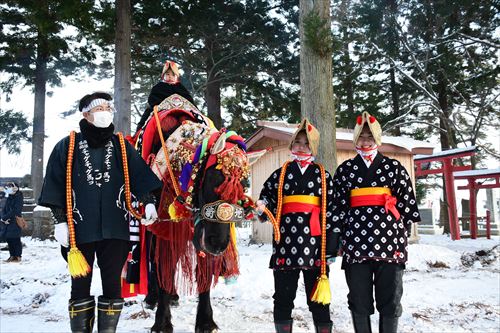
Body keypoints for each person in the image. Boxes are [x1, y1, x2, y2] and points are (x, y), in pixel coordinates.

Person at [38, 92, 163, 333]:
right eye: (100, 108)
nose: (106, 111)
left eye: (108, 107)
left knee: (112, 285)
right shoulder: (67, 145)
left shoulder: (121, 145)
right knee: (80, 285)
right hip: (79, 229)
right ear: (86, 114)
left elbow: (139, 176)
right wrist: (60, 221)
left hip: (115, 228)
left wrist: (148, 202)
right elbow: (54, 183)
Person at [331, 112, 421, 333]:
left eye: (370, 136)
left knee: (390, 298)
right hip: (355, 242)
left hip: (389, 242)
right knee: (359, 298)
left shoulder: (395, 167)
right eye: (361, 136)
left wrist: (402, 232)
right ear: (355, 139)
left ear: (378, 138)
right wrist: (337, 239)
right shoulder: (345, 170)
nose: (366, 140)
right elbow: (337, 208)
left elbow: (406, 202)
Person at [256, 119, 341, 333]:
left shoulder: (323, 176)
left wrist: (331, 248)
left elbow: (333, 212)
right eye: (297, 142)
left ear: (313, 147)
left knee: (319, 301)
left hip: (316, 247)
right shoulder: (281, 173)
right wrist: (262, 205)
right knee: (283, 298)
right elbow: (267, 198)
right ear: (291, 145)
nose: (301, 147)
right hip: (286, 244)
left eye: (306, 143)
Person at [135, 60, 197, 133]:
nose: (170, 76)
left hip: (182, 113)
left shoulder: (181, 88)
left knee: (187, 119)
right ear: (163, 75)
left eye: (173, 75)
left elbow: (189, 102)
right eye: (167, 74)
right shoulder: (158, 87)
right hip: (163, 113)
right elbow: (153, 100)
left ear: (176, 76)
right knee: (167, 121)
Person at [0, 182, 24, 263]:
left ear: (16, 187)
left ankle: (18, 256)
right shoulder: (9, 196)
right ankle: (12, 256)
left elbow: (16, 210)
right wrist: (3, 219)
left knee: (16, 239)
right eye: (9, 187)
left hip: (15, 220)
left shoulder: (19, 196)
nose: (10, 188)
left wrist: (5, 217)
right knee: (9, 239)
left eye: (12, 186)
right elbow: (4, 208)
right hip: (7, 221)